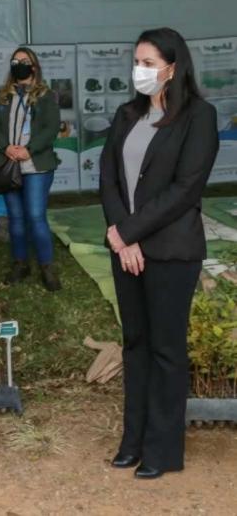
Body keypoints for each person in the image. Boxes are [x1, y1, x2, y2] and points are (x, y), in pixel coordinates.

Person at [99, 27, 219, 480]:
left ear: (173, 67)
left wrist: (130, 232)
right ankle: (133, 440)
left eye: (148, 63)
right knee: (136, 345)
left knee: (166, 349)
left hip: (170, 251)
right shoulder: (127, 113)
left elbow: (185, 189)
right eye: (136, 62)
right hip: (125, 249)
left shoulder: (198, 116)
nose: (140, 70)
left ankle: (162, 449)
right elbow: (108, 177)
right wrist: (121, 236)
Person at [0, 47, 62, 291]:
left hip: (36, 165)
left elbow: (51, 128)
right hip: (9, 163)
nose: (19, 64)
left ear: (34, 66)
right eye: (15, 61)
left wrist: (29, 149)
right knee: (16, 219)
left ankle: (47, 267)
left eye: (24, 60)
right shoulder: (2, 96)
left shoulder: (46, 95)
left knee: (36, 216)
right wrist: (6, 147)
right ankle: (20, 264)